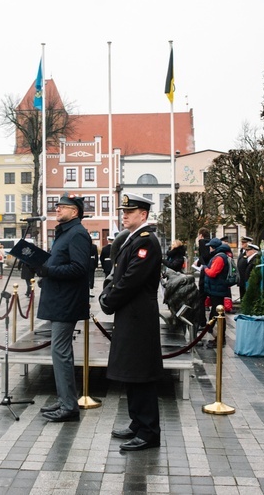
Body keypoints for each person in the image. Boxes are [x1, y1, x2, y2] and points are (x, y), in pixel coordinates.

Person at [99, 193, 163, 451]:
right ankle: (138, 422)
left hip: (139, 317)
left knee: (142, 373)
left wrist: (108, 301)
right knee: (132, 372)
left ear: (143, 215)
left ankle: (149, 432)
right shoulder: (134, 239)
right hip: (130, 315)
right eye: (123, 211)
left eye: (130, 211)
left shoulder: (147, 241)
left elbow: (131, 280)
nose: (124, 214)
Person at [36, 193, 91, 423]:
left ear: (75, 211)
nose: (57, 209)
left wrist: (49, 271)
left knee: (60, 353)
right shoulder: (66, 232)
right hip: (60, 299)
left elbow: (79, 268)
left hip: (66, 302)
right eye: (56, 206)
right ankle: (65, 399)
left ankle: (69, 406)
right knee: (59, 353)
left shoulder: (77, 233)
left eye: (62, 207)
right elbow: (60, 262)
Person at [200, 238, 234, 348]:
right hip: (215, 289)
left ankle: (220, 338)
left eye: (210, 246)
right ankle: (215, 335)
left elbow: (212, 273)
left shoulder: (220, 257)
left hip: (217, 290)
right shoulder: (220, 255)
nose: (209, 248)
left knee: (218, 314)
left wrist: (205, 267)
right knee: (215, 313)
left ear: (213, 247)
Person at [195, 228, 213, 331]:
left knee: (201, 298)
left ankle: (202, 321)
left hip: (205, 272)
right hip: (211, 272)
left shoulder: (202, 242)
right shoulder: (211, 242)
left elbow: (204, 257)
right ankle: (211, 323)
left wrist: (200, 261)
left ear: (201, 235)